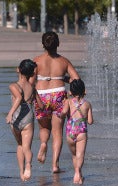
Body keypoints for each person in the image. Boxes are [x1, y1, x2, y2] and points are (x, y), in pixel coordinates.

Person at [30, 31, 80, 173]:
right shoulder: (64, 61)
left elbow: (32, 81)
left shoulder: (37, 61)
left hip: (41, 96)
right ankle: (55, 166)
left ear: (43, 44)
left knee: (44, 128)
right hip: (58, 94)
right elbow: (77, 79)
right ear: (58, 43)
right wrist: (64, 79)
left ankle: (44, 143)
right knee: (57, 133)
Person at [6, 59, 43, 181]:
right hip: (28, 117)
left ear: (19, 70)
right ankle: (28, 165)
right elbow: (41, 105)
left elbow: (18, 98)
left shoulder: (13, 86)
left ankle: (22, 173)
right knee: (26, 147)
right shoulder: (32, 87)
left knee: (20, 145)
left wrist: (10, 114)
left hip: (16, 118)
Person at [61, 79, 93, 184]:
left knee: (74, 155)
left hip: (70, 133)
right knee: (81, 154)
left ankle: (77, 172)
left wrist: (61, 113)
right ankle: (78, 172)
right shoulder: (87, 104)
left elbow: (64, 112)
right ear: (84, 91)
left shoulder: (68, 102)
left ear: (70, 92)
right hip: (82, 132)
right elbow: (90, 121)